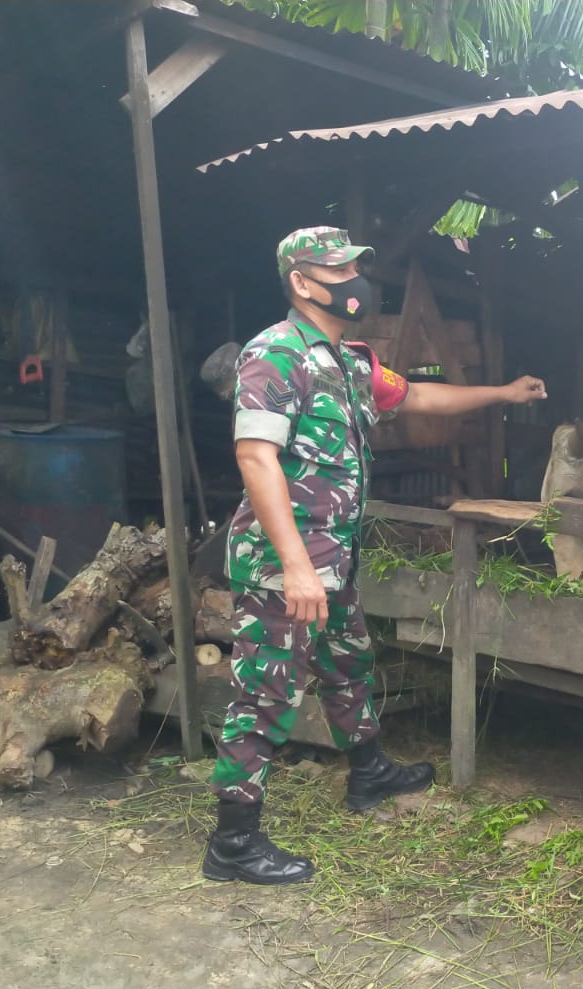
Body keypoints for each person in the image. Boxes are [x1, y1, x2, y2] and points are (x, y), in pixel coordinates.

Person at [204, 227, 547, 886]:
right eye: (338, 270)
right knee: (265, 693)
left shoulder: (350, 363)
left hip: (334, 559)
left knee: (348, 665)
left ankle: (369, 773)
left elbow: (416, 396)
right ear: (301, 282)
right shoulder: (274, 355)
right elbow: (255, 456)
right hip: (288, 565)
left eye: (357, 267)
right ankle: (234, 842)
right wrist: (297, 565)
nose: (355, 281)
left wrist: (499, 394)